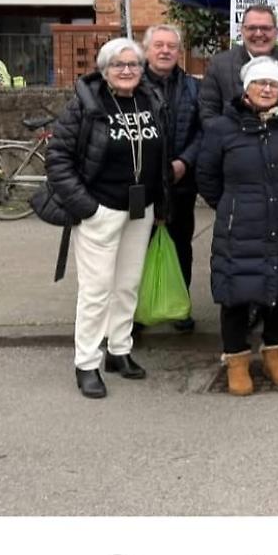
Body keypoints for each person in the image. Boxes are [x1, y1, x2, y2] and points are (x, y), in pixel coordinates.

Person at [43, 37, 170, 399]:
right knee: (97, 289)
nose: (127, 71)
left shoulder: (151, 100)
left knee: (127, 284)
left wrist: (160, 203)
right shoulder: (86, 104)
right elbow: (58, 161)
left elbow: (161, 154)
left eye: (134, 64)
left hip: (140, 208)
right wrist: (88, 208)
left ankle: (119, 350)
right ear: (104, 69)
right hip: (101, 210)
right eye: (119, 65)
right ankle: (86, 363)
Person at [196, 56, 278, 397]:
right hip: (240, 223)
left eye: (274, 84)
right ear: (245, 88)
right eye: (260, 83)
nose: (267, 89)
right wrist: (231, 206)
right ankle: (236, 360)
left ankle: (275, 354)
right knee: (236, 293)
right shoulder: (222, 128)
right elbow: (207, 176)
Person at [143, 24, 203, 332]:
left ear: (179, 51)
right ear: (147, 50)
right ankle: (136, 312)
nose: (165, 51)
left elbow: (202, 131)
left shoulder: (194, 87)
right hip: (139, 185)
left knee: (181, 244)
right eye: (159, 45)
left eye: (171, 46)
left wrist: (185, 162)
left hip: (181, 182)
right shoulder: (132, 84)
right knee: (137, 247)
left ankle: (179, 306)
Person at [198, 4, 278, 123]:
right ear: (242, 31)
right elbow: (208, 114)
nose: (258, 34)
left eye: (265, 28)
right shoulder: (219, 65)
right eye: (251, 28)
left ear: (276, 32)